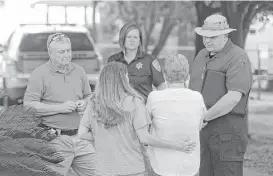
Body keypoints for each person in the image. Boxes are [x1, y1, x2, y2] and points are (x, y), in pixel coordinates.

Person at [77, 62, 195, 176]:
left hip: (103, 169)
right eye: (127, 75)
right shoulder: (134, 102)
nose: (129, 79)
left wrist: (104, 137)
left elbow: (82, 134)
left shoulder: (94, 103)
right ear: (122, 79)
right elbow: (145, 138)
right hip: (131, 168)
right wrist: (175, 145)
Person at [189, 14, 253, 176]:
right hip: (203, 132)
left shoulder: (238, 57)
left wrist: (204, 117)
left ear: (226, 35)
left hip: (228, 132)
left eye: (213, 37)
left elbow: (233, 97)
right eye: (204, 36)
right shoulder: (201, 56)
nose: (207, 40)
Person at [23, 33, 95, 176]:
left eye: (68, 50)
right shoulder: (39, 74)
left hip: (81, 137)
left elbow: (89, 96)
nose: (67, 55)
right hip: (55, 140)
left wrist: (85, 102)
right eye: (61, 52)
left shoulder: (79, 71)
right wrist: (60, 108)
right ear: (50, 53)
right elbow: (28, 106)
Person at [146, 54, 207, 176]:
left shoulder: (154, 97)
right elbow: (200, 124)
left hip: (161, 166)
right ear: (187, 76)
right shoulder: (197, 98)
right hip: (189, 166)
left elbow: (145, 124)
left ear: (165, 76)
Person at [107, 22, 167, 100]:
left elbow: (161, 86)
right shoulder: (113, 60)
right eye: (129, 37)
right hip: (119, 108)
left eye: (135, 37)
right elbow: (106, 86)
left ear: (140, 41)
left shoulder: (149, 61)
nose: (132, 40)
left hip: (143, 108)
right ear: (123, 39)